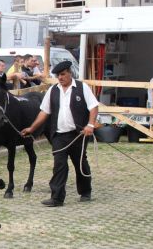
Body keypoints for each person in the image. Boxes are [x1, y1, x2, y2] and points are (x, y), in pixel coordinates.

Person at [20, 60, 99, 206]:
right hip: (59, 135)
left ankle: (85, 191)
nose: (60, 78)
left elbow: (94, 107)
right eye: (58, 76)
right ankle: (57, 197)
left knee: (80, 163)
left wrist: (90, 125)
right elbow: (44, 112)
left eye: (63, 74)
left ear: (70, 73)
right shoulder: (53, 90)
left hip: (78, 134)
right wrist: (32, 128)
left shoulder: (82, 88)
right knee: (59, 165)